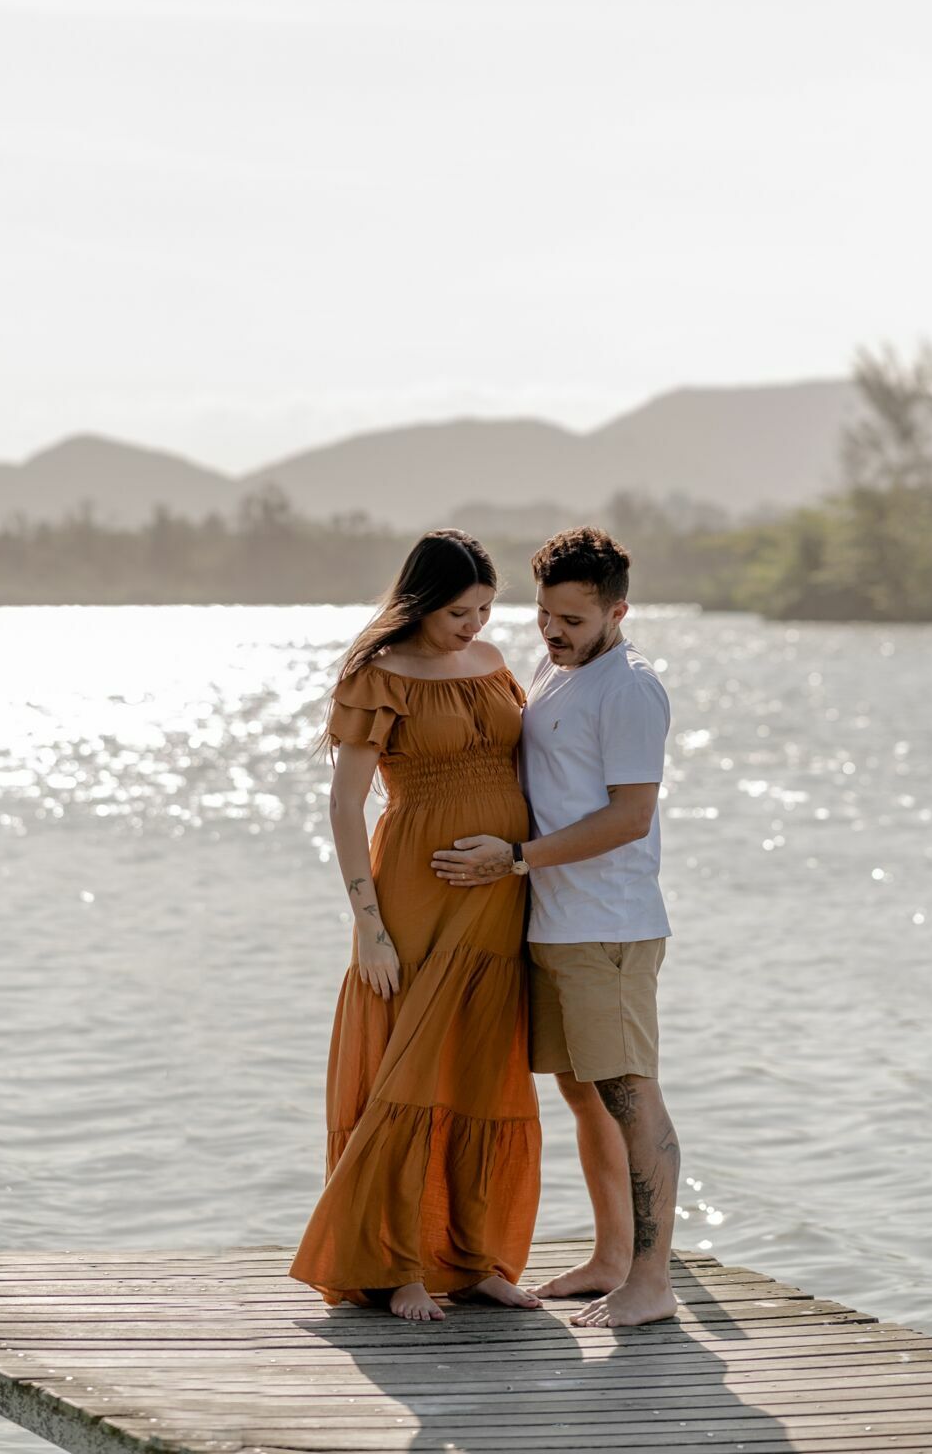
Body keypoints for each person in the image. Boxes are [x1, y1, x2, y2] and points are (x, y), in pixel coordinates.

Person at [289, 530, 541, 1322]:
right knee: (408, 1069)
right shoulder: (377, 675)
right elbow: (344, 804)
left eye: (485, 609)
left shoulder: (495, 663)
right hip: (412, 894)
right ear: (422, 602)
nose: (474, 624)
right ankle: (394, 1265)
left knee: (477, 1065)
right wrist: (368, 927)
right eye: (459, 611)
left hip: (498, 894)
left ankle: (472, 1262)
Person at [432, 526, 680, 1327]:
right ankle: (611, 1258)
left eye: (572, 620)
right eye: (544, 614)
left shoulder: (630, 687)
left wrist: (516, 858)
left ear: (616, 611)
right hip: (551, 919)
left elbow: (630, 817)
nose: (552, 632)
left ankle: (650, 1282)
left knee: (628, 1093)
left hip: (607, 925)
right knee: (584, 1095)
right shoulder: (551, 667)